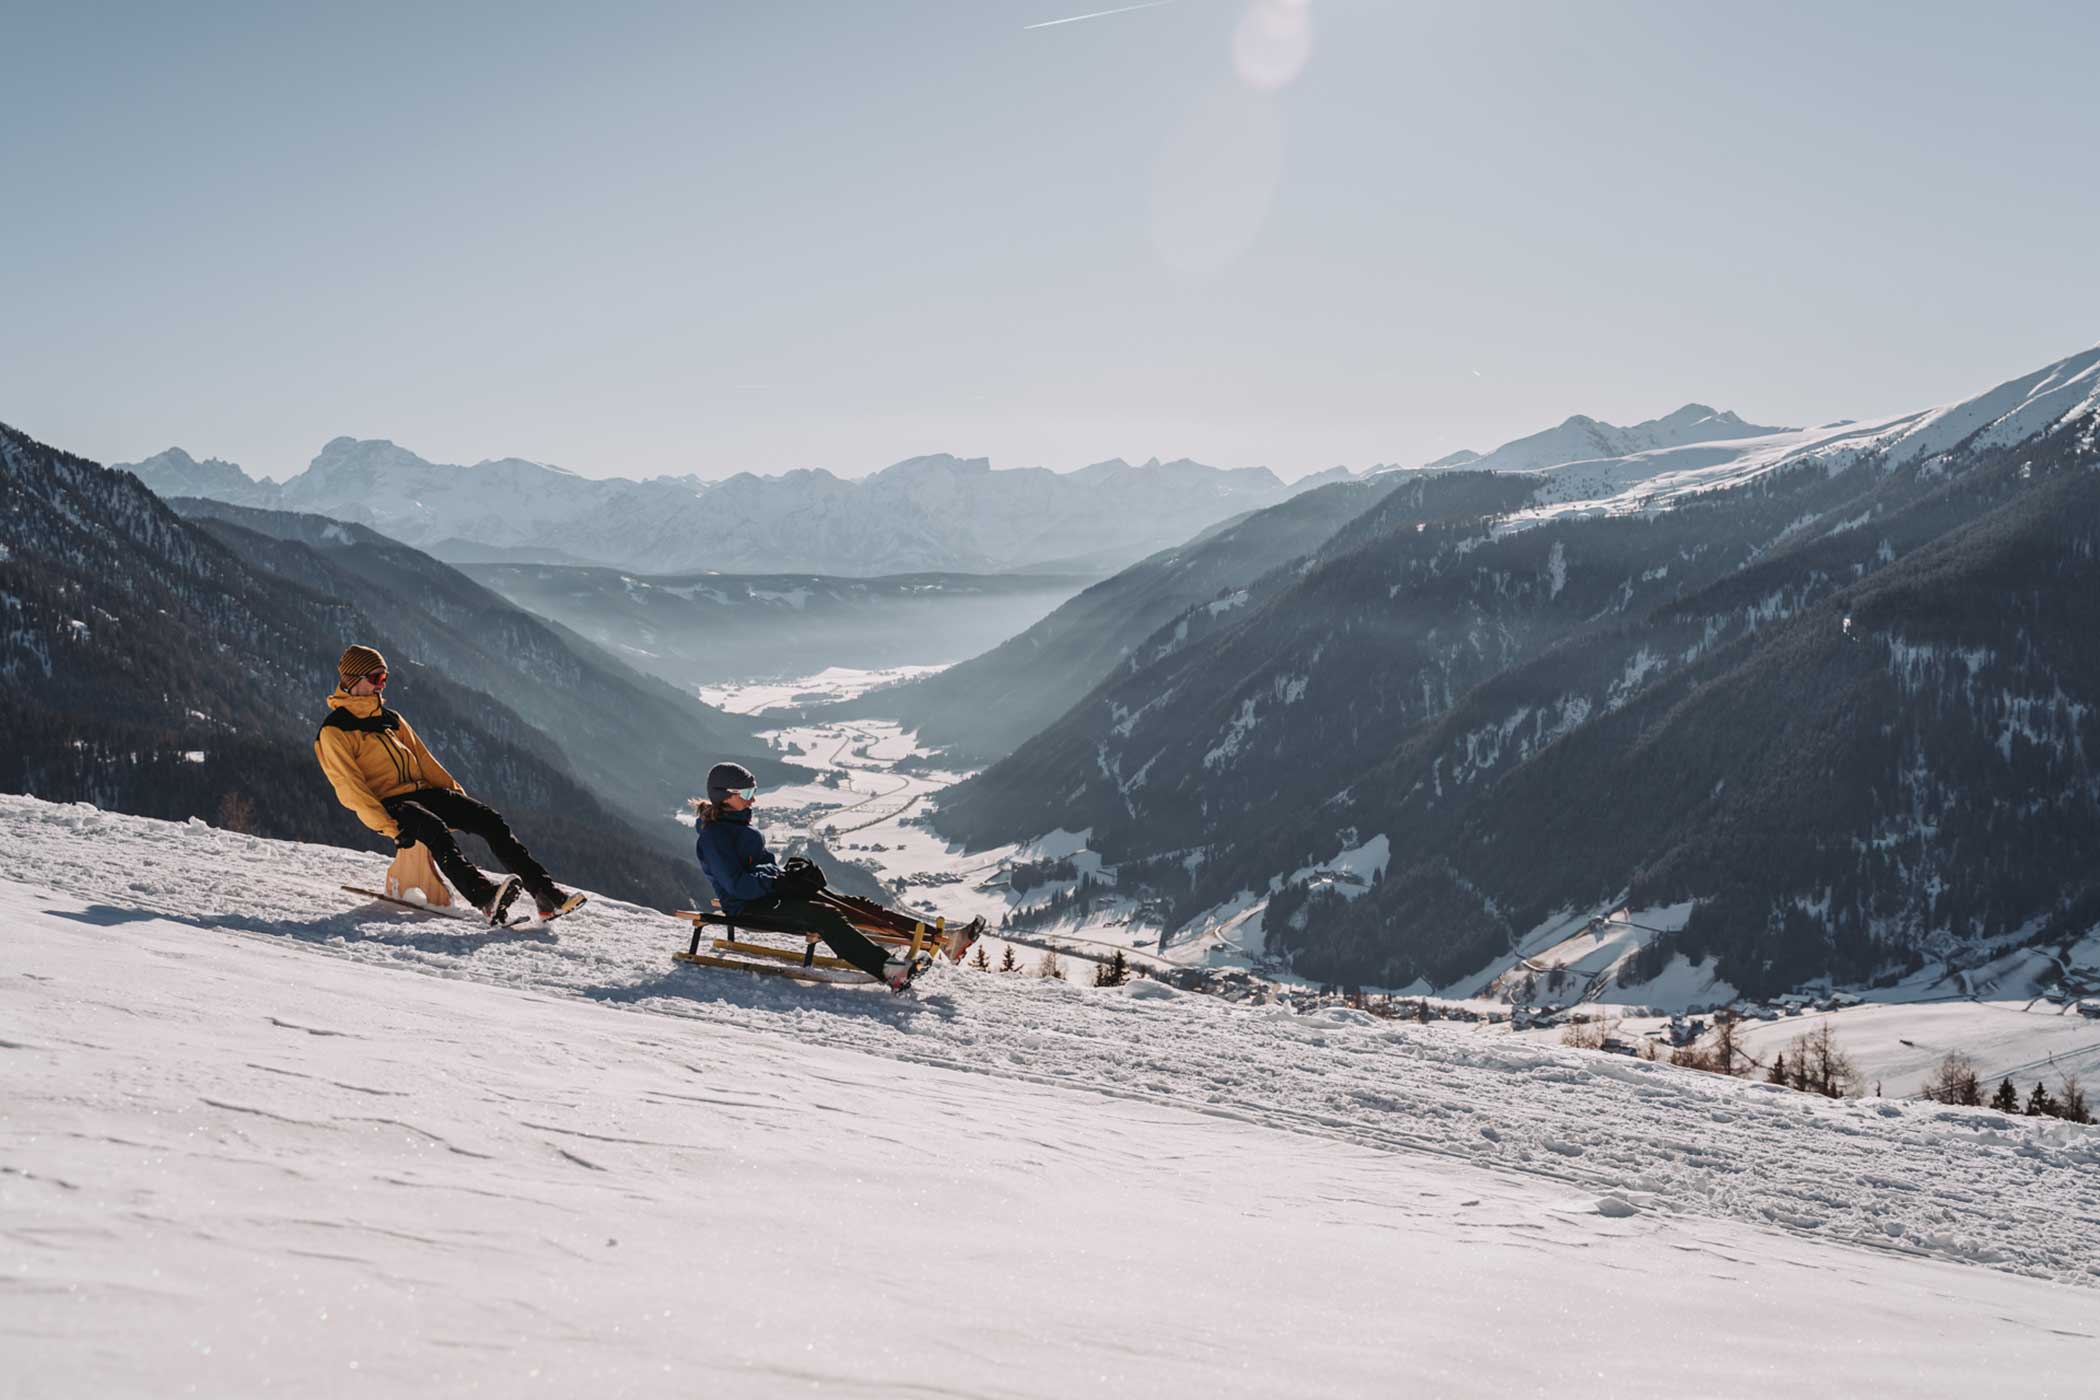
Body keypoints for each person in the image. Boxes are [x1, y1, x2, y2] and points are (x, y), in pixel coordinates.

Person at [315, 644, 579, 924]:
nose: (382, 685)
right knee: (433, 829)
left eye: (385, 678)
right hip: (389, 804)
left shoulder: (391, 719)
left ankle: (545, 894)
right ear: (354, 679)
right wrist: (389, 826)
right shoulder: (336, 731)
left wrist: (458, 801)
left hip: (421, 792)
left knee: (488, 819)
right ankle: (484, 897)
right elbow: (350, 788)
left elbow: (425, 762)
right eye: (376, 678)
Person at [692, 761, 982, 991]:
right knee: (825, 915)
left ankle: (944, 941)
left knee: (852, 903)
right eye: (745, 794)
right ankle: (888, 970)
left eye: (753, 792)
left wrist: (789, 875)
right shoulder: (714, 837)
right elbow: (737, 885)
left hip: (769, 895)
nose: (752, 800)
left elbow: (764, 865)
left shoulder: (744, 828)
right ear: (724, 796)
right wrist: (775, 881)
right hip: (747, 907)